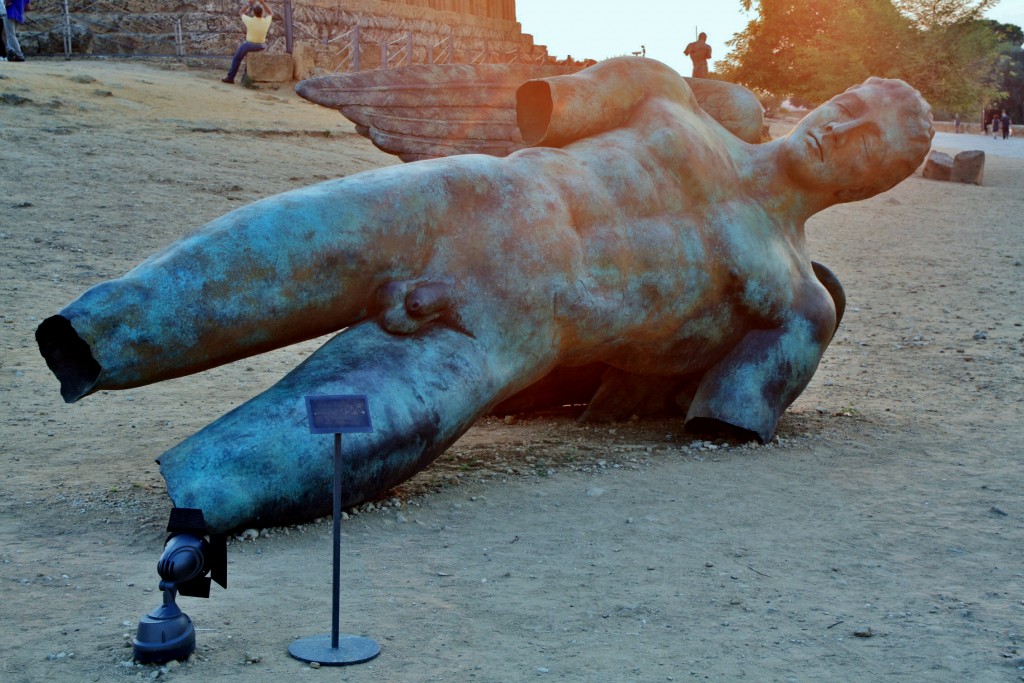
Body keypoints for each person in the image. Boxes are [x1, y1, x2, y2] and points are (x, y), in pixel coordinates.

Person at [38, 58, 934, 529]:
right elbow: (542, 108)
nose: (842, 129)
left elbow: (726, 413)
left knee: (268, 468)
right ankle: (99, 338)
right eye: (851, 105)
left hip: (513, 326)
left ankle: (195, 505)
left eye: (871, 144)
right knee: (265, 247)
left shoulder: (794, 300)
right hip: (464, 200)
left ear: (876, 184)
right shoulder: (669, 96)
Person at [222, 0, 272, 84]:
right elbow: (270, 13)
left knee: (237, 58)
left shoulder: (250, 21)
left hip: (249, 44)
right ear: (262, 13)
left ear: (253, 13)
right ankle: (245, 78)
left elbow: (241, 12)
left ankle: (230, 78)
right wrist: (263, 2)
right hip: (260, 45)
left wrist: (249, 3)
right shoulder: (266, 22)